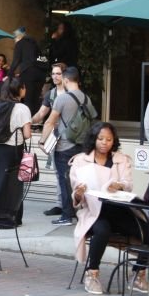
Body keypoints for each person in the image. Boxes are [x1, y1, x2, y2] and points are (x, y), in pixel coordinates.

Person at [70, 122, 149, 295]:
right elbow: (76, 198)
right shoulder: (81, 160)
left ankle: (137, 275)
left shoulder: (121, 159)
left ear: (114, 141)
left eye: (109, 139)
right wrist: (79, 193)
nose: (104, 143)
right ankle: (92, 274)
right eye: (100, 138)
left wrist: (119, 186)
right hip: (94, 212)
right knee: (102, 231)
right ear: (93, 139)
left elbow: (128, 184)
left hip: (119, 210)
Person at [41, 66, 98, 226]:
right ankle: (79, 210)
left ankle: (67, 215)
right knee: (79, 181)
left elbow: (50, 121)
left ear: (66, 80)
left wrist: (43, 141)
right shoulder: (86, 98)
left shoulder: (62, 98)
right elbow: (93, 117)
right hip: (81, 146)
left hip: (64, 146)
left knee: (64, 180)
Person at [0, 78, 32, 225]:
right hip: (13, 150)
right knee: (14, 185)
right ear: (20, 89)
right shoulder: (22, 108)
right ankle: (8, 217)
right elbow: (27, 134)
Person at [32, 62, 66, 217]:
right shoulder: (51, 94)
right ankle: (61, 205)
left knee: (73, 173)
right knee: (59, 172)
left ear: (65, 75)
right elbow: (40, 114)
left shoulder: (72, 93)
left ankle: (72, 204)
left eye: (58, 73)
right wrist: (26, 120)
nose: (55, 76)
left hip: (72, 137)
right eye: (53, 73)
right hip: (56, 137)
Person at [9, 27, 43, 115]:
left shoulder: (20, 44)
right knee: (35, 98)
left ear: (18, 37)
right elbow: (41, 58)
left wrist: (9, 75)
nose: (14, 40)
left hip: (29, 73)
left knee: (28, 98)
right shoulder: (34, 43)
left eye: (14, 38)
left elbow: (16, 61)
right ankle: (35, 121)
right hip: (40, 74)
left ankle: (28, 122)